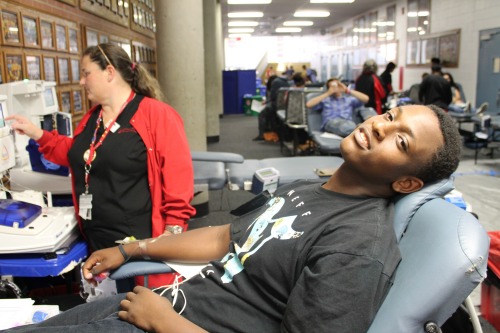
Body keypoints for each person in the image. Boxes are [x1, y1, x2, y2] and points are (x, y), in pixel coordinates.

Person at [1, 104, 463, 333]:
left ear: (406, 183)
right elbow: (228, 237)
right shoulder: (312, 189)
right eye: (390, 115)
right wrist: (133, 248)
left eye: (401, 142)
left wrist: (169, 324)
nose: (381, 126)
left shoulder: (357, 246)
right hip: (167, 304)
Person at [6, 43, 196, 289]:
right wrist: (37, 134)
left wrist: (172, 234)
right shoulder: (92, 118)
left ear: (109, 72)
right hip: (98, 241)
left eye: (86, 73)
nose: (82, 82)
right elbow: (78, 154)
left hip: (139, 247)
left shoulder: (157, 115)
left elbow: (178, 179)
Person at [306, 77, 374, 137]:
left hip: (347, 122)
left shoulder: (348, 100)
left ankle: (359, 130)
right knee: (345, 125)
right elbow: (309, 104)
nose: (336, 88)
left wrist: (347, 90)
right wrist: (328, 93)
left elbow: (366, 99)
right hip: (331, 123)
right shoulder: (325, 100)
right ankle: (361, 130)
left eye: (337, 85)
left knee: (348, 125)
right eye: (332, 86)